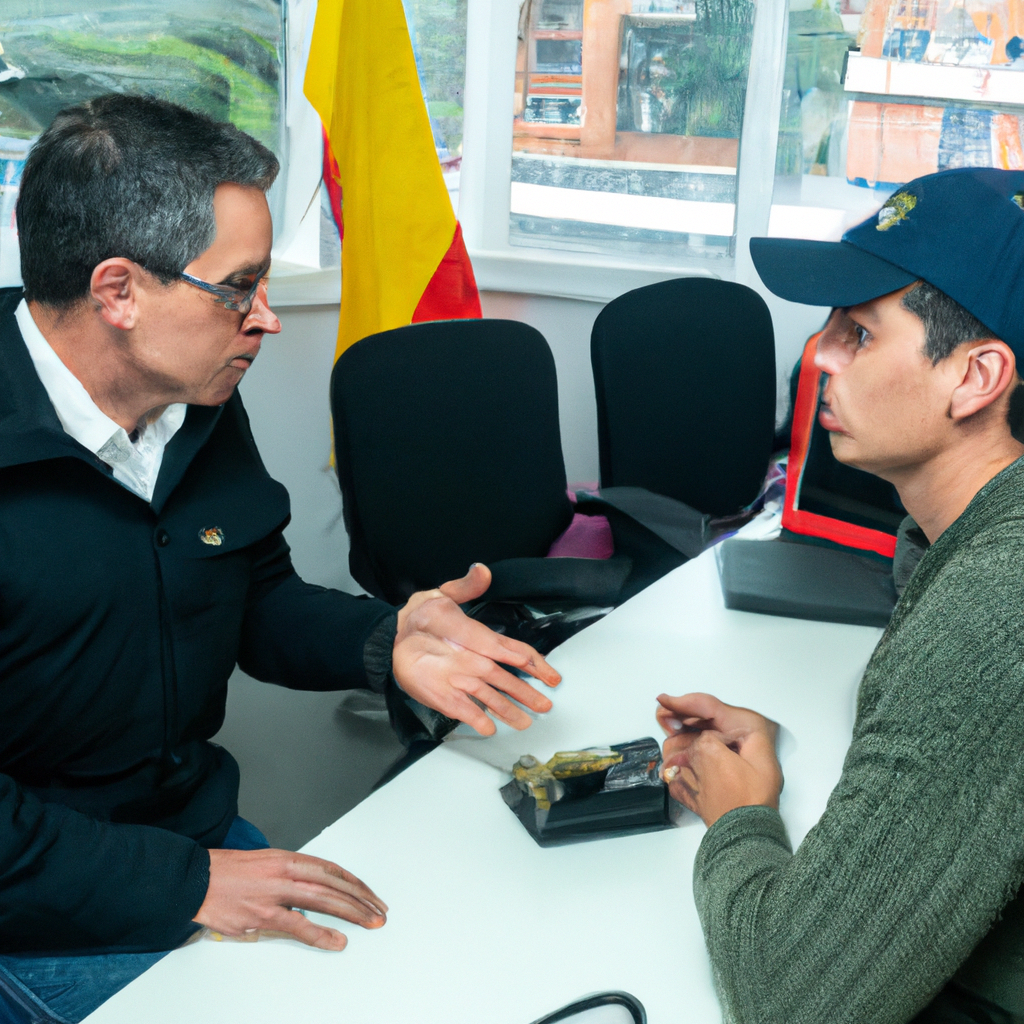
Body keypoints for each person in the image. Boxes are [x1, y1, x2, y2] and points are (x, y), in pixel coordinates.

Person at [0, 93, 561, 1023]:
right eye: (239, 288)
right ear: (118, 291)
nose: (267, 319)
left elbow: (252, 599)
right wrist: (187, 885)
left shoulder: (196, 395)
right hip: (41, 909)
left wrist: (388, 640)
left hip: (198, 840)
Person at [657, 168, 1024, 1024]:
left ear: (976, 377)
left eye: (858, 333)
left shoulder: (995, 604)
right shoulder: (966, 544)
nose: (817, 355)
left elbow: (795, 1002)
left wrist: (741, 817)